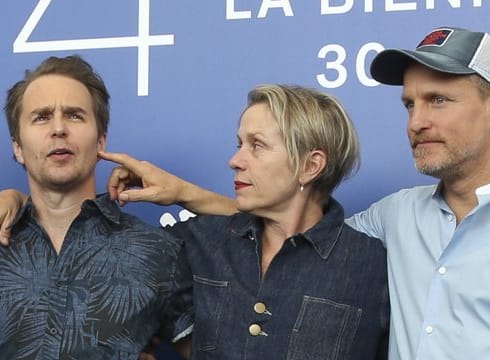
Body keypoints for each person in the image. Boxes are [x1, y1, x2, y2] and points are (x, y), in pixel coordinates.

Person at [5, 25, 490, 359]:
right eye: (408, 105)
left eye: (438, 101)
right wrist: (19, 202)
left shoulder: (371, 255)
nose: (416, 121)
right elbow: (290, 219)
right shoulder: (394, 220)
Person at [1, 84, 390, 359]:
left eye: (256, 145)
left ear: (311, 166)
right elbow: (95, 247)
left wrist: (183, 191)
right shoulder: (199, 242)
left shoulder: (373, 264)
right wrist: (18, 203)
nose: (235, 159)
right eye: (239, 143)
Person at [0, 55, 193, 359]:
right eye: (41, 117)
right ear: (17, 148)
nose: (59, 129)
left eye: (75, 115)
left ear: (101, 141)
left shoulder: (157, 252)